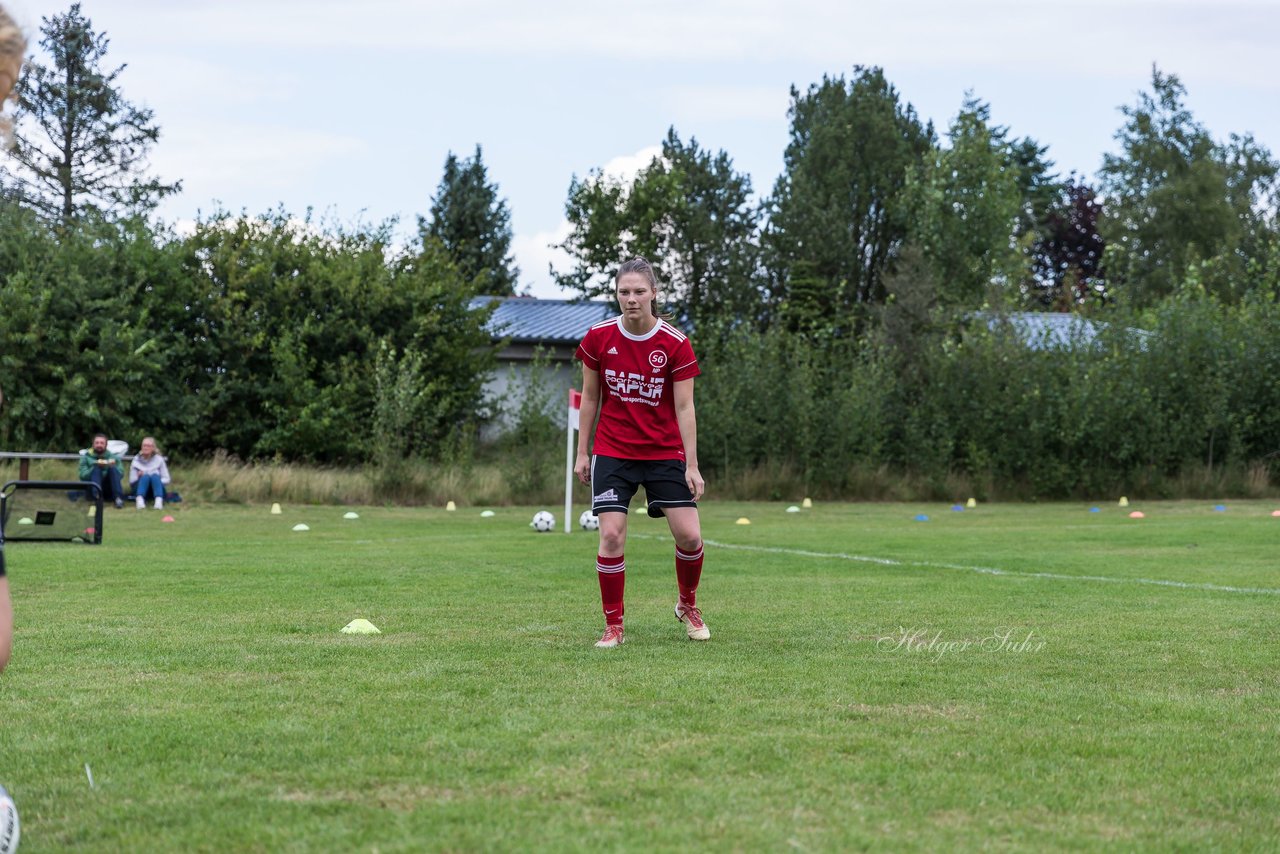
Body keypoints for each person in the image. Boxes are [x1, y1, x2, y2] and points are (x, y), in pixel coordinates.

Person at [574, 257, 708, 648]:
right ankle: (613, 625)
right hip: (613, 450)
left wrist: (693, 465)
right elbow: (590, 399)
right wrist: (583, 453)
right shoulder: (598, 338)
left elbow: (685, 408)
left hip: (664, 451)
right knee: (612, 536)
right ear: (617, 295)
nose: (631, 299)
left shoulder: (675, 343)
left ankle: (687, 604)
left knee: (689, 537)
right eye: (624, 292)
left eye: (638, 291)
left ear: (654, 293)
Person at [79, 433, 126, 509]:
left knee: (113, 468)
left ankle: (118, 499)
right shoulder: (85, 457)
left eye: (102, 443)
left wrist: (110, 467)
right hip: (91, 487)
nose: (99, 445)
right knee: (96, 469)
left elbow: (121, 474)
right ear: (93, 444)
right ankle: (96, 498)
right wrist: (95, 466)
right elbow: (82, 476)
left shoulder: (114, 457)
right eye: (97, 443)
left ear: (106, 445)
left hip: (108, 488)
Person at [129, 436, 171, 510]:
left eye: (148, 446)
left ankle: (158, 502)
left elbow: (167, 479)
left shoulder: (159, 459)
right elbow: (131, 481)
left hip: (156, 487)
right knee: (145, 477)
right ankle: (140, 501)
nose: (145, 448)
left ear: (153, 448)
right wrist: (138, 476)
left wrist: (156, 481)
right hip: (140, 487)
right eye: (144, 445)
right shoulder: (136, 460)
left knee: (154, 476)